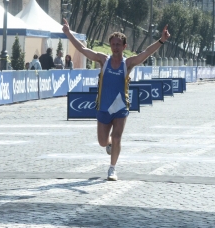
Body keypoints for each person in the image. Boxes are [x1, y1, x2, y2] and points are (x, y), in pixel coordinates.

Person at [62, 18, 170, 181]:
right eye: (113, 44)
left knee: (118, 136)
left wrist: (161, 40)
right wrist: (68, 33)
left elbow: (146, 52)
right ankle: (110, 144)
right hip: (103, 108)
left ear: (124, 46)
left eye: (119, 44)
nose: (115, 47)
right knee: (102, 142)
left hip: (120, 107)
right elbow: (83, 49)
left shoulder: (128, 63)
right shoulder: (103, 60)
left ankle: (112, 169)